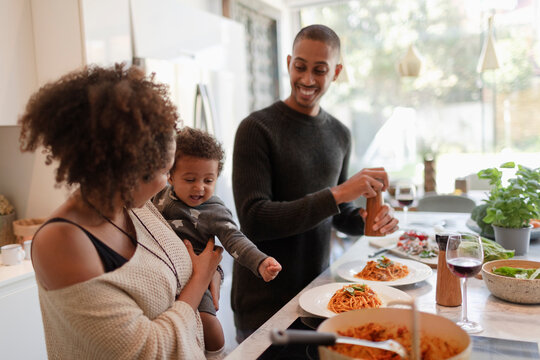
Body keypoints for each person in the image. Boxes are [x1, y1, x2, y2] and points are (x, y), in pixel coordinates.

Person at [19, 64, 224, 359]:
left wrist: (210, 272)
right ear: (125, 172)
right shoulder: (62, 242)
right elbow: (146, 350)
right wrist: (199, 281)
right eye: (165, 171)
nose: (167, 182)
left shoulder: (137, 208)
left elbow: (179, 271)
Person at [231, 24, 400, 341]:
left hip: (319, 294)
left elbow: (338, 212)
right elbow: (254, 219)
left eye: (319, 70)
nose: (307, 80)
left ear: (336, 72)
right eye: (300, 66)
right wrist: (339, 193)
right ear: (288, 63)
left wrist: (365, 221)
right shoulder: (255, 129)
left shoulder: (339, 133)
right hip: (263, 301)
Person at [152, 127, 282, 352]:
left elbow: (235, 239)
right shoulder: (160, 195)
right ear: (170, 176)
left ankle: (218, 353)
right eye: (190, 179)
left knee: (207, 319)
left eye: (208, 180)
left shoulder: (215, 211)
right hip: (165, 277)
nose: (199, 187)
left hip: (198, 278)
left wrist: (260, 262)